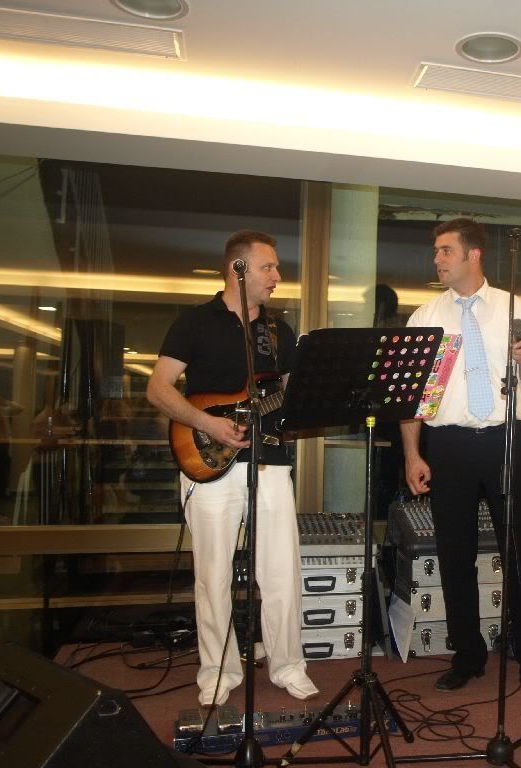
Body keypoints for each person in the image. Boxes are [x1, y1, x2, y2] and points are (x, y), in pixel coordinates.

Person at [401, 218, 521, 694]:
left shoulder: (513, 306)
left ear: (474, 254)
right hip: (448, 444)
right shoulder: (424, 317)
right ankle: (467, 656)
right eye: (436, 251)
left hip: (506, 438)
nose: (437, 259)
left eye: (446, 250)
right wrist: (412, 455)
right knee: (455, 553)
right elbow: (412, 398)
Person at [147, 230, 318, 707]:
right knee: (213, 575)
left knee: (282, 570)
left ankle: (288, 665)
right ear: (236, 270)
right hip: (209, 463)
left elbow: (290, 395)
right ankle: (218, 671)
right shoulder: (194, 322)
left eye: (277, 267)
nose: (277, 276)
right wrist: (209, 424)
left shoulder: (280, 331)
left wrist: (308, 405)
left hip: (271, 463)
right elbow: (158, 388)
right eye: (268, 267)